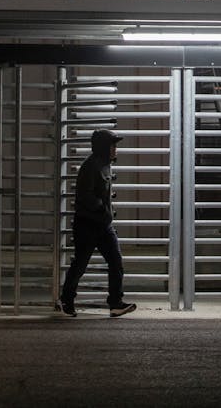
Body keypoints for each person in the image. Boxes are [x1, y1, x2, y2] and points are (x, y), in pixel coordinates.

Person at [59, 129, 135, 317]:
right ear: (103, 147)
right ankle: (66, 300)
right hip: (87, 224)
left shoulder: (105, 165)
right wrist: (101, 208)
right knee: (81, 264)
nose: (115, 149)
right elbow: (85, 196)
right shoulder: (90, 167)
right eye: (112, 145)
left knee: (115, 261)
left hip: (103, 224)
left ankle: (116, 302)